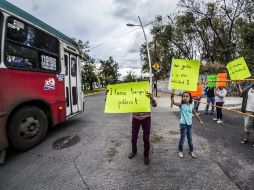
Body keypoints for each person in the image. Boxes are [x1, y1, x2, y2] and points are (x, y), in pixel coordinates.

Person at [171, 92, 203, 158]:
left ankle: (191, 151)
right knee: (182, 139)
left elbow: (195, 113)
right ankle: (180, 151)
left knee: (190, 139)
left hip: (190, 125)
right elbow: (173, 103)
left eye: (187, 96)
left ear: (190, 98)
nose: (185, 98)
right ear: (182, 98)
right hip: (183, 125)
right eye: (184, 96)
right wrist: (172, 97)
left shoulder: (191, 105)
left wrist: (200, 120)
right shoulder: (181, 105)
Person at [128, 92, 157, 165]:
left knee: (146, 138)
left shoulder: (147, 95)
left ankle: (146, 155)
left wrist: (151, 98)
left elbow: (155, 105)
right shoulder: (132, 96)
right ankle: (134, 151)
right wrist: (109, 95)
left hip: (146, 118)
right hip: (135, 118)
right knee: (134, 136)